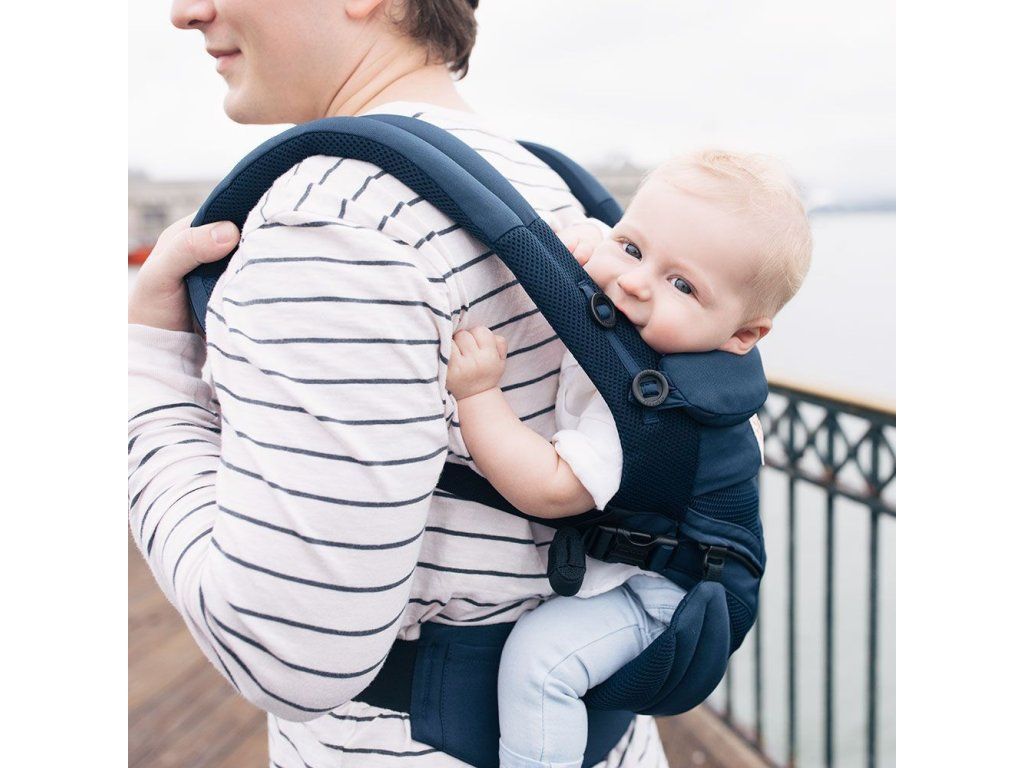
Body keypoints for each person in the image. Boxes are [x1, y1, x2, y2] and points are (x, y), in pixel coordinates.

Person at [128, 0, 667, 765]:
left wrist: (152, 377)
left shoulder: (333, 224)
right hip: (602, 735)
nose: (187, 12)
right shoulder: (546, 185)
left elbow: (290, 654)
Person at [444, 151, 812, 768]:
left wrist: (478, 395)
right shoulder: (646, 323)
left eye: (683, 286)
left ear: (742, 335)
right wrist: (595, 244)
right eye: (634, 248)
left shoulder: (660, 416)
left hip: (664, 597)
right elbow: (616, 251)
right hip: (646, 562)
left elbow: (550, 487)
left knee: (541, 663)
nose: (637, 284)